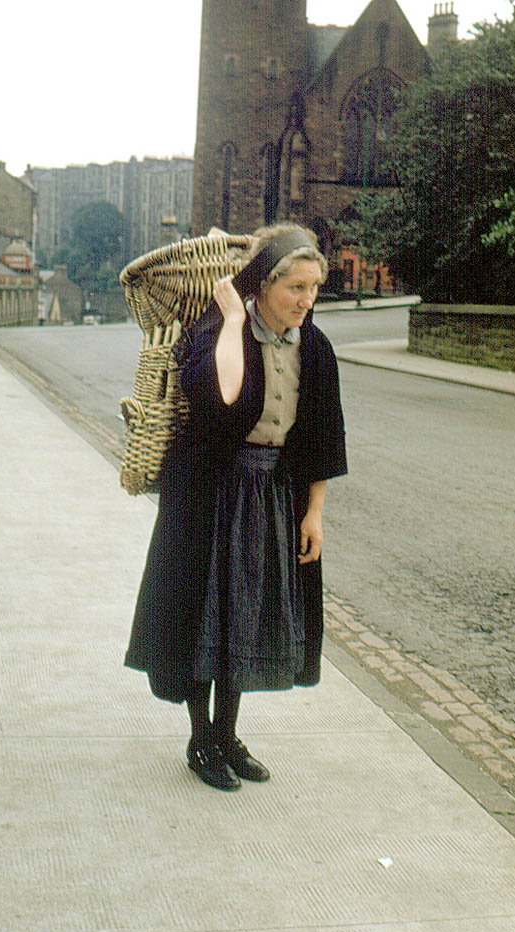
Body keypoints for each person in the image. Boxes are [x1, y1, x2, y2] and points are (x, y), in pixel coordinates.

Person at [125, 223, 347, 791]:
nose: (306, 300)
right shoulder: (216, 332)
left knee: (246, 618)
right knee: (205, 619)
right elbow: (221, 403)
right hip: (208, 493)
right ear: (265, 284)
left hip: (272, 495)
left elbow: (324, 436)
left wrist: (313, 512)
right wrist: (228, 319)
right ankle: (201, 739)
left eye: (314, 288)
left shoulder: (314, 346)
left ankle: (228, 735)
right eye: (295, 288)